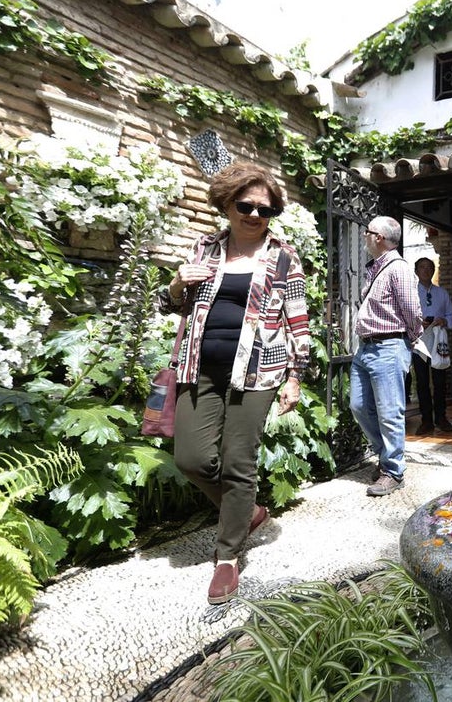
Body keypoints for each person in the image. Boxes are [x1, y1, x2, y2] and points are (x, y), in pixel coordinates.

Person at [159, 162, 309, 605]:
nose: (255, 215)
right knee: (191, 459)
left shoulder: (284, 255)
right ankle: (249, 513)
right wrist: (175, 285)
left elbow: (297, 318)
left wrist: (295, 376)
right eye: (246, 205)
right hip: (197, 366)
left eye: (266, 209)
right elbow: (174, 305)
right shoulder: (204, 247)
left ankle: (227, 558)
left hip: (258, 370)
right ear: (226, 204)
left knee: (238, 462)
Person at [351, 216, 422, 498]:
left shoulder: (398, 269)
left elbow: (412, 310)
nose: (364, 237)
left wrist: (410, 339)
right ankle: (385, 457)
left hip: (388, 347)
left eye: (367, 232)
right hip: (365, 348)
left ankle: (393, 471)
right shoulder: (376, 268)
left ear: (378, 237)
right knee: (358, 405)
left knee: (390, 412)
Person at [413, 257, 452, 435]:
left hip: (438, 340)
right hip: (420, 341)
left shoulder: (442, 293)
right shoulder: (410, 293)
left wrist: (443, 320)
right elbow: (403, 316)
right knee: (422, 382)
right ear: (416, 271)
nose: (426, 270)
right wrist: (417, 322)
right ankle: (426, 420)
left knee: (439, 381)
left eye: (429, 267)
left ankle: (441, 417)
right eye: (422, 267)